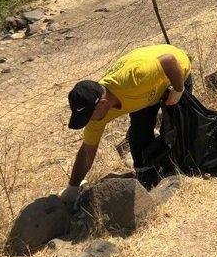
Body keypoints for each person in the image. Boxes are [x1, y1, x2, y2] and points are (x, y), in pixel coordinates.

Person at [60, 44, 192, 204]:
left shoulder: (135, 77)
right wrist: (72, 187)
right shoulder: (97, 113)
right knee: (138, 136)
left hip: (175, 73)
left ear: (102, 103)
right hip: (146, 94)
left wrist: (178, 90)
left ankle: (175, 171)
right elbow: (87, 152)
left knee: (174, 131)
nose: (89, 121)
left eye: (88, 116)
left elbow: (169, 60)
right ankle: (147, 179)